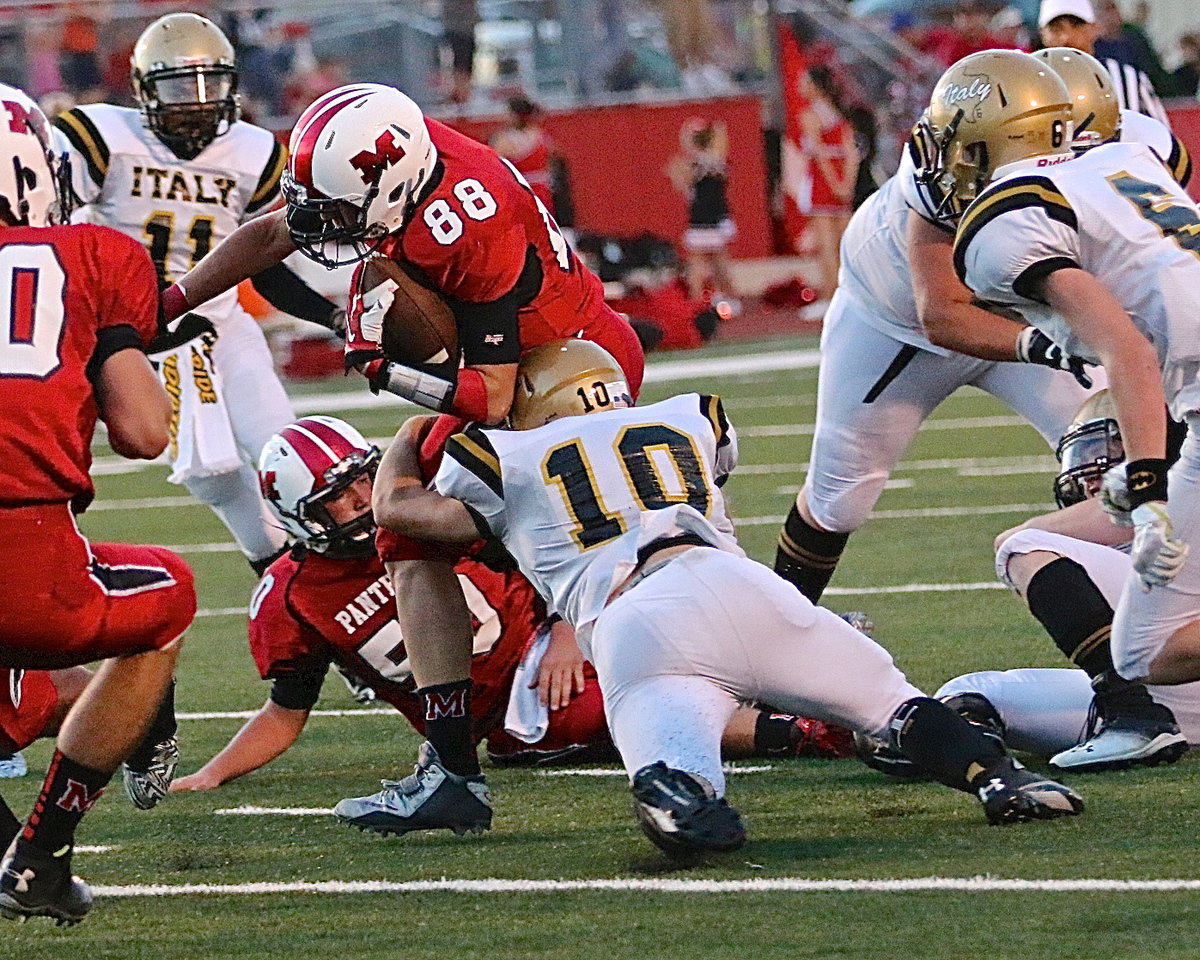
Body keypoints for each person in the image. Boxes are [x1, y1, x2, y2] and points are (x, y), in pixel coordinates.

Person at [357, 338, 1085, 856]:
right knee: (893, 704)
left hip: (635, 623)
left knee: (669, 766)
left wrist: (407, 440)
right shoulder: (688, 416)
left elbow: (399, 512)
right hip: (740, 586)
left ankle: (681, 806)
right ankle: (998, 779)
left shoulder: (504, 454)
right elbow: (703, 469)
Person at [173, 416, 856, 818]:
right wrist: (214, 773)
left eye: (362, 484)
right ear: (299, 518)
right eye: (339, 501)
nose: (360, 503)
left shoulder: (418, 517)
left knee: (669, 620)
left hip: (560, 632)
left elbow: (549, 555)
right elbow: (286, 709)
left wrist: (562, 630)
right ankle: (801, 729)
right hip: (512, 710)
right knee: (618, 708)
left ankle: (796, 666)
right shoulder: (292, 597)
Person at [773, 51, 1100, 606]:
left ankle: (1139, 635)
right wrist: (1054, 343)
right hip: (895, 330)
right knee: (838, 502)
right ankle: (773, 641)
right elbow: (944, 315)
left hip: (1021, 314)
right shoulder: (938, 178)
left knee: (1109, 455)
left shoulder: (1114, 158)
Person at [944, 36, 1200, 695]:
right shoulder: (1128, 153)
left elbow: (1128, 351)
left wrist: (1145, 492)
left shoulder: (1006, 219)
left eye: (962, 144)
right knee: (1147, 652)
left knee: (1146, 650)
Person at [0, 84, 196, 925]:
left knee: (24, 700)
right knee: (168, 598)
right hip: (25, 553)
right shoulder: (90, 255)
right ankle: (42, 852)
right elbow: (145, 433)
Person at [54, 12, 343, 576]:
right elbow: (58, 231)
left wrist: (331, 313)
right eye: (181, 86)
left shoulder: (255, 153)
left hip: (220, 326)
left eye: (212, 84)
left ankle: (331, 585)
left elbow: (265, 265)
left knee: (288, 453)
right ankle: (284, 580)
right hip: (130, 338)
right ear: (143, 89)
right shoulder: (103, 136)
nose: (199, 100)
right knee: (212, 474)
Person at [931, 391, 1193, 771]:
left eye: (1104, 455)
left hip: (1178, 668)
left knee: (1023, 545)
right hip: (1172, 697)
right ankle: (968, 755)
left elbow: (1013, 540)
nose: (1088, 476)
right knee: (966, 695)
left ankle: (1133, 716)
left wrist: (1142, 494)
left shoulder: (1176, 493)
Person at [1038, 0, 1169, 127]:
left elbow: (1163, 140)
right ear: (1042, 33)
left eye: (1076, 25)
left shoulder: (1129, 78)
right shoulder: (1032, 83)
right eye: (1056, 28)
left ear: (1094, 28)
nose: (1067, 37)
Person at [796, 66, 857, 302]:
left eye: (804, 82)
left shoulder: (810, 115)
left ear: (816, 87)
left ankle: (830, 298)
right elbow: (851, 153)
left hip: (824, 182)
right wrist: (847, 185)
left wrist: (834, 185)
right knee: (844, 246)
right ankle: (849, 296)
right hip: (840, 179)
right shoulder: (840, 114)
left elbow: (820, 154)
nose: (800, 86)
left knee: (827, 247)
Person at [666, 117, 737, 306]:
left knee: (697, 265)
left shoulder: (696, 164)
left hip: (701, 219)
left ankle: (696, 304)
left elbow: (680, 182)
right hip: (716, 217)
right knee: (718, 262)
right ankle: (730, 298)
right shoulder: (716, 162)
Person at [490, 96, 555, 216]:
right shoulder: (541, 135)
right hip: (544, 190)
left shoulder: (505, 139)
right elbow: (552, 159)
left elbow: (492, 164)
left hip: (521, 192)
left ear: (515, 115)